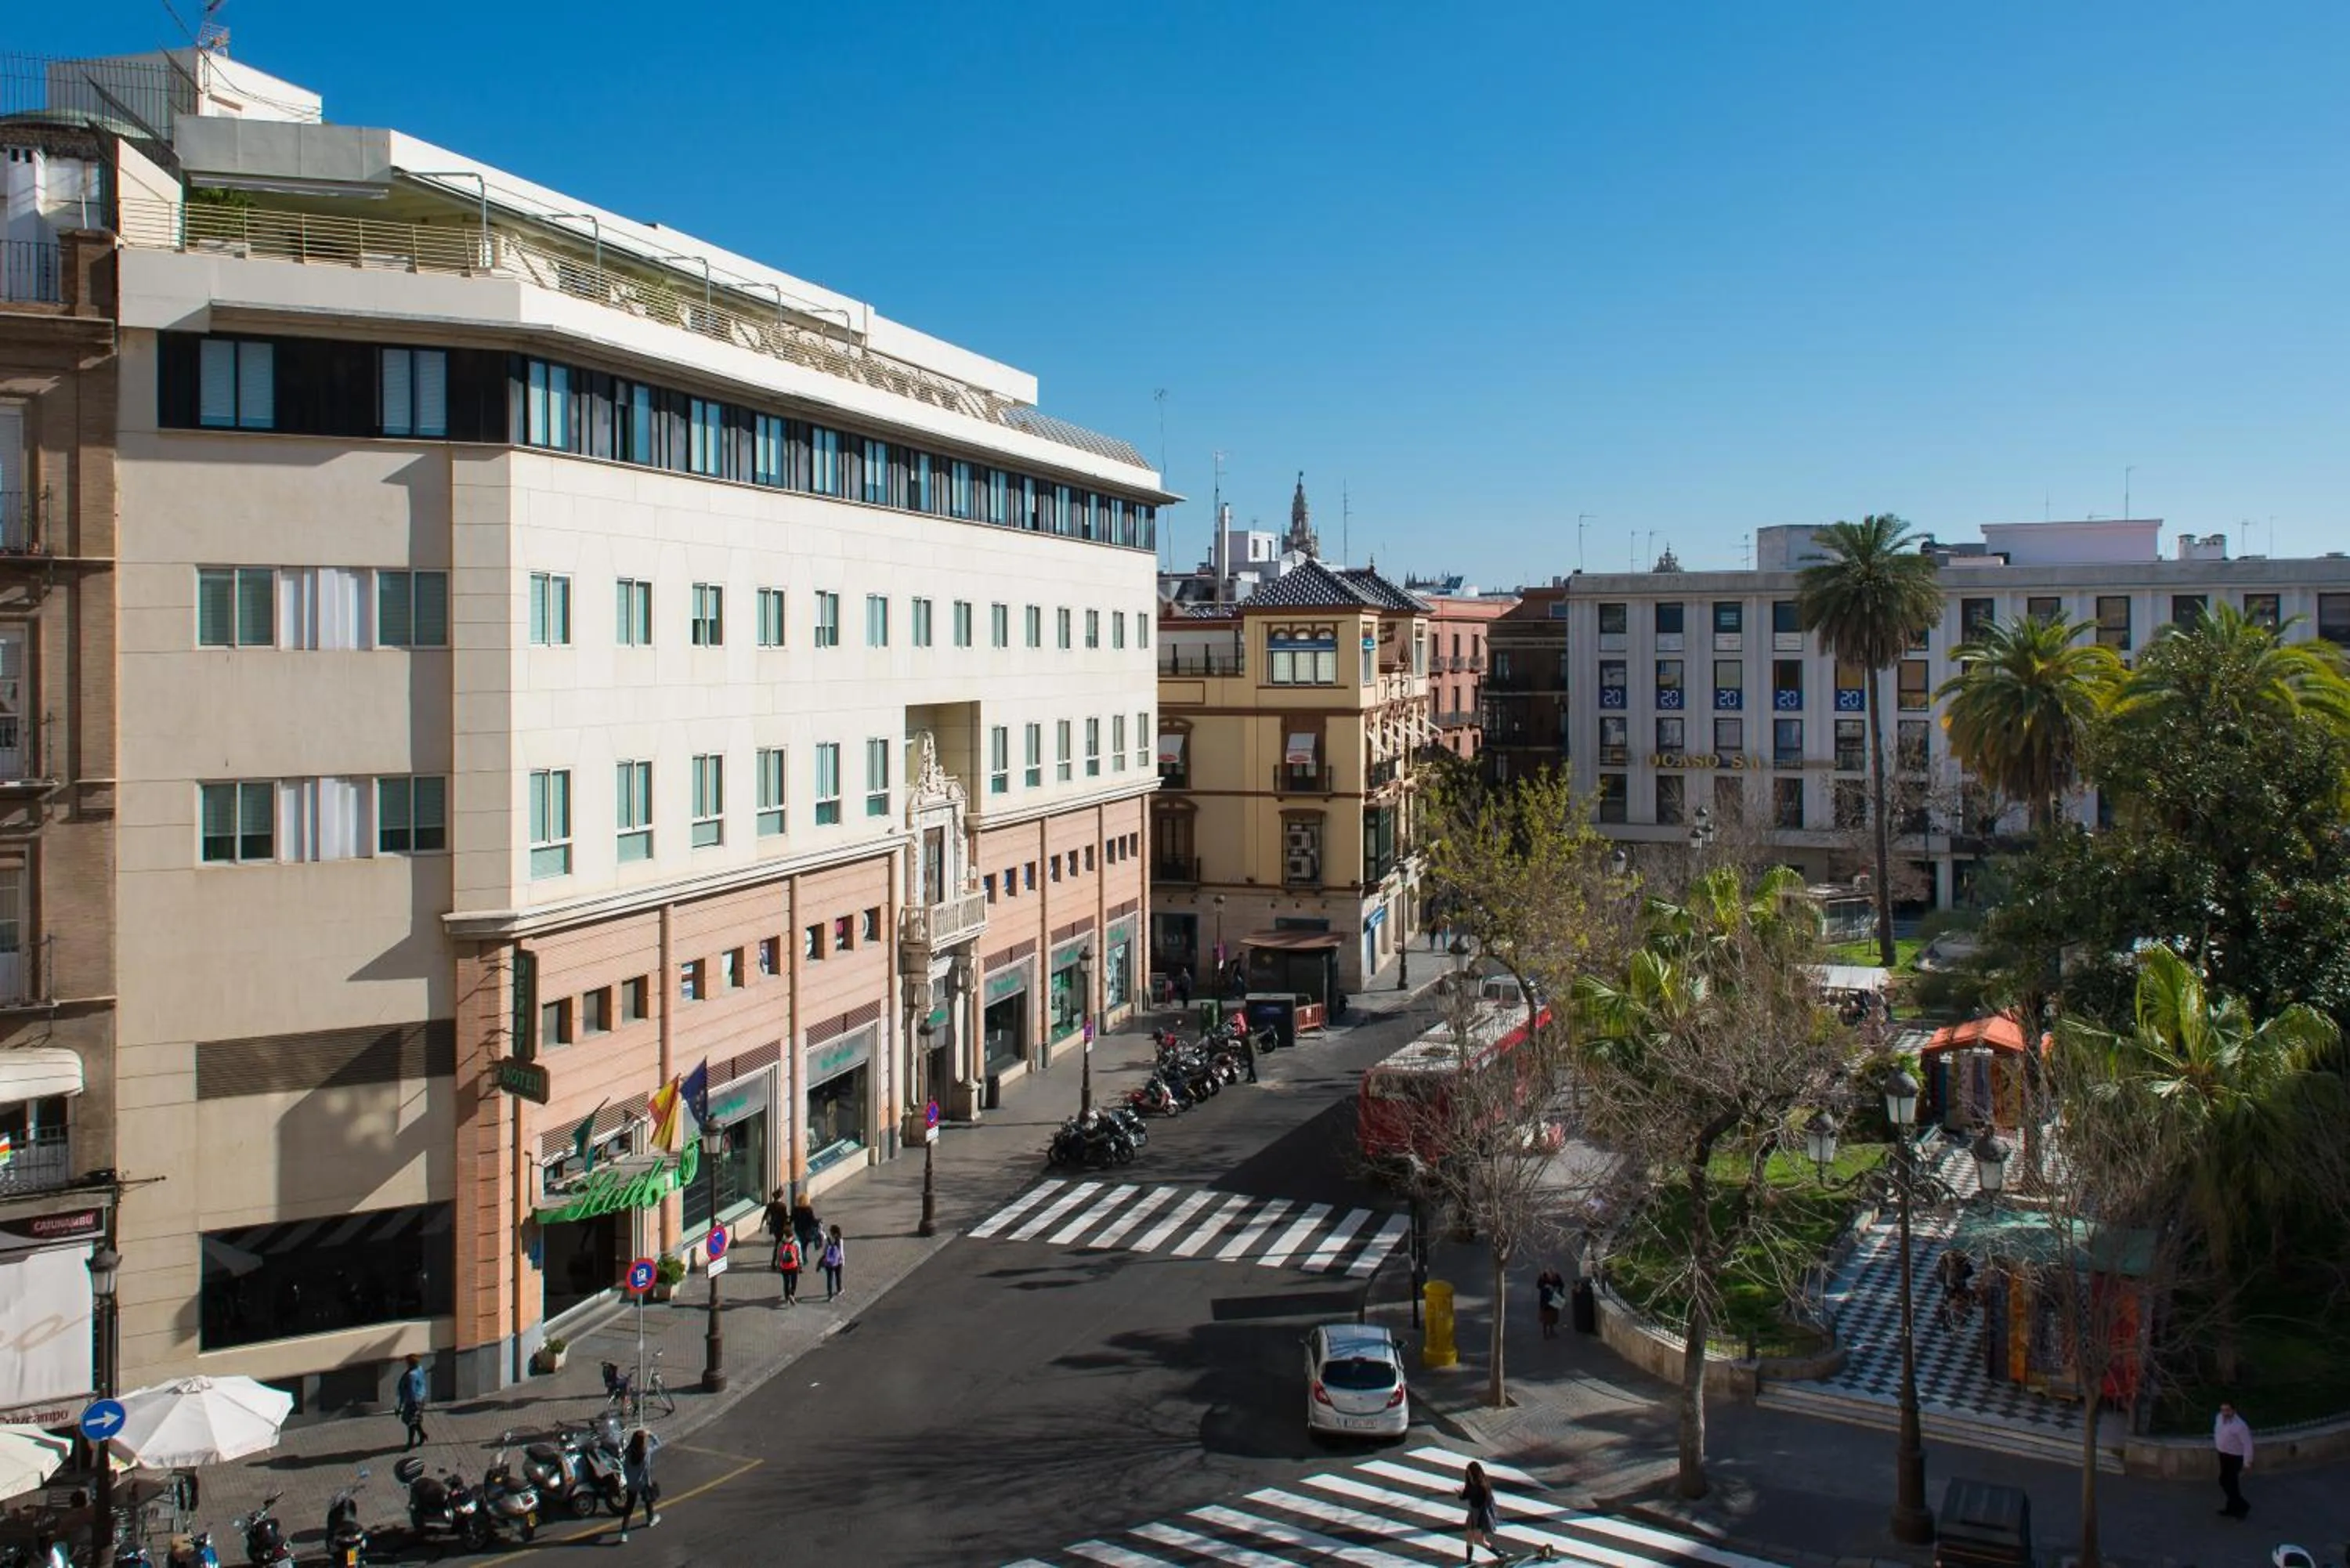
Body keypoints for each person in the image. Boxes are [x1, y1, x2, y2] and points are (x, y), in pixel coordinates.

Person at [616, 1425, 661, 1540]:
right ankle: (650, 1519)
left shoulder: (628, 1452)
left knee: (629, 1508)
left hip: (631, 1483)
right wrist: (650, 1434)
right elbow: (657, 1444)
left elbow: (624, 1467)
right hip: (642, 1483)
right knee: (648, 1499)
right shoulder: (646, 1453)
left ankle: (624, 1533)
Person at [1459, 1460, 1507, 1565]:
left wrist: (1478, 1523)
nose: (1468, 1475)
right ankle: (1468, 1561)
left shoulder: (1481, 1487)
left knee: (1480, 1541)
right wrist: (1460, 1494)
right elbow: (1466, 1495)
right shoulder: (1471, 1484)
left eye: (1470, 1473)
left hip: (1479, 1516)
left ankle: (1499, 1554)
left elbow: (1480, 1503)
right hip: (1472, 1513)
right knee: (1469, 1537)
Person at [2213, 1402, 2254, 1519]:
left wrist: (2247, 1462)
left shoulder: (2240, 1426)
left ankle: (2242, 1506)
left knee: (2228, 1482)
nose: (2225, 1413)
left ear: (2233, 1411)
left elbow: (2247, 1444)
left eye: (2227, 1410)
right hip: (2223, 1455)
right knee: (2229, 1483)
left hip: (2234, 1457)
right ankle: (2233, 1507)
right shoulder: (2219, 1418)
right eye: (2223, 1410)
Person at [395, 1353, 428, 1451]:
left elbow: (410, 1391)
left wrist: (400, 1406)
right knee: (415, 1420)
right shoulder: (420, 1369)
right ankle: (422, 1435)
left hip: (413, 1401)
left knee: (411, 1422)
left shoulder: (411, 1376)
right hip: (420, 1398)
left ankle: (410, 1443)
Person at [773, 1229, 802, 1306]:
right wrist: (800, 1264)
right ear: (792, 1235)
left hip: (784, 1267)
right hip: (794, 1266)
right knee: (794, 1281)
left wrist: (778, 1266)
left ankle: (787, 1298)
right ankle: (792, 1295)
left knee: (786, 1282)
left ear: (784, 1235)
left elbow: (779, 1256)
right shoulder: (796, 1243)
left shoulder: (781, 1244)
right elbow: (799, 1254)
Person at [1536, 1269, 1567, 1340]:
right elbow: (1539, 1285)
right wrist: (1545, 1286)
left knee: (1553, 1316)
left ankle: (1552, 1330)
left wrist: (1557, 1289)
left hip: (1554, 1299)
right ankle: (1545, 1333)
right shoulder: (1543, 1277)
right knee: (1545, 1317)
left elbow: (1561, 1285)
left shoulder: (1557, 1276)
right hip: (1545, 1300)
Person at [792, 1195, 822, 1263]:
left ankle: (804, 1259)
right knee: (818, 1235)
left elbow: (791, 1219)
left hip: (799, 1230)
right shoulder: (809, 1210)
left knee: (804, 1245)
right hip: (808, 1230)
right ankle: (817, 1245)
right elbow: (812, 1220)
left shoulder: (795, 1210)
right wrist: (819, 1221)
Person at [820, 1224, 845, 1300]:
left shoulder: (828, 1240)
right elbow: (841, 1252)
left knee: (829, 1279)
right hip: (838, 1261)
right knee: (838, 1276)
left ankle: (830, 1295)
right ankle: (839, 1290)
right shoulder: (840, 1240)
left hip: (829, 1262)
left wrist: (824, 1258)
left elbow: (824, 1251)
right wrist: (843, 1260)